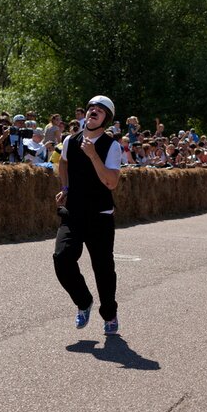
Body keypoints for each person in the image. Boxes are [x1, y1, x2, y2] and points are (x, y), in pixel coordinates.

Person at [53, 95, 123, 335]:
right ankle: (84, 302)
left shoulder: (111, 145)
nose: (94, 110)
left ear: (106, 119)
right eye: (92, 107)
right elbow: (63, 164)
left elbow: (112, 182)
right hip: (73, 213)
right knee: (62, 259)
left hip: (100, 216)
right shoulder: (70, 141)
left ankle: (109, 314)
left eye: (100, 110)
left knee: (103, 269)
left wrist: (93, 155)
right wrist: (65, 188)